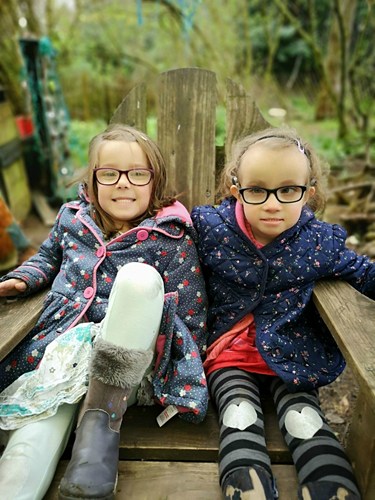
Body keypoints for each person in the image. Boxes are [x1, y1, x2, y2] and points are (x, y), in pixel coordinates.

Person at [0, 123, 208, 500]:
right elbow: (48, 256)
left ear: (154, 182)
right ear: (93, 181)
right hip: (64, 357)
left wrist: (179, 364)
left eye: (137, 174)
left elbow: (193, 316)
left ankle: (98, 434)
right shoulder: (72, 219)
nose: (123, 183)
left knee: (139, 280)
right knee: (27, 448)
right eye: (109, 174)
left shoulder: (172, 237)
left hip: (130, 365)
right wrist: (25, 278)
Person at [191, 126, 375, 500]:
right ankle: (248, 488)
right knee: (237, 414)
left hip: (294, 355)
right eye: (257, 190)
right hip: (229, 358)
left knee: (303, 418)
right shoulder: (210, 229)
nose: (272, 204)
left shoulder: (319, 242)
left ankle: (330, 487)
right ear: (235, 188)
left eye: (287, 190)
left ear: (308, 192)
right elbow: (168, 247)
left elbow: (364, 275)